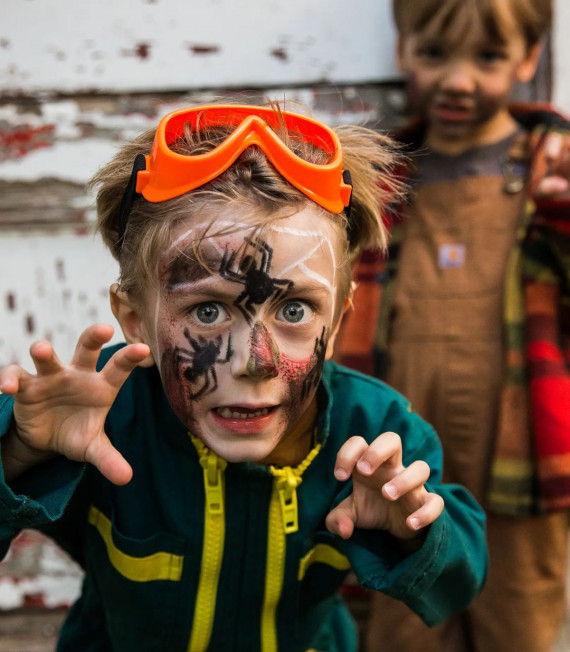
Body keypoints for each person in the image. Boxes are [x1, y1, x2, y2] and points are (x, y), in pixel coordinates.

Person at [0, 103, 487, 651]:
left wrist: (414, 530)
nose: (255, 360)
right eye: (207, 312)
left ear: (342, 318)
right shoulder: (99, 423)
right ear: (135, 316)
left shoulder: (376, 436)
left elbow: (460, 581)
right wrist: (18, 450)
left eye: (296, 310)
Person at [335, 1, 570, 651]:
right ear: (403, 50)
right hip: (405, 455)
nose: (459, 81)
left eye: (488, 58)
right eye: (436, 54)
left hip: (523, 450)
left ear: (528, 59)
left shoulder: (557, 169)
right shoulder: (381, 183)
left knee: (517, 619)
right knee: (405, 620)